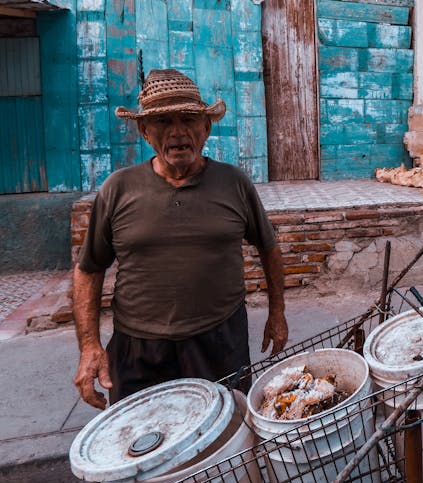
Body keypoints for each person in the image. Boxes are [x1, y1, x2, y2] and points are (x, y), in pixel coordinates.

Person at [72, 69, 288, 409]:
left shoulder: (234, 183)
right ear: (144, 131)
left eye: (188, 119)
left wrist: (277, 313)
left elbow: (268, 248)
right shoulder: (118, 189)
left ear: (206, 128)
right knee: (142, 448)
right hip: (138, 349)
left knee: (226, 443)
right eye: (162, 122)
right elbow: (88, 270)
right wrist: (89, 345)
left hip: (220, 341)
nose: (177, 132)